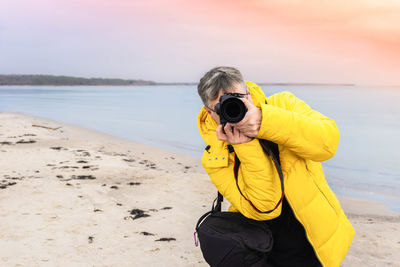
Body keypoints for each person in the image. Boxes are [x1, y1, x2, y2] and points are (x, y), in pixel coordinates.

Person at [196, 66, 355, 267]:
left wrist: (266, 121)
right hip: (263, 251)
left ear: (249, 93)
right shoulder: (215, 156)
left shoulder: (284, 104)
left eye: (238, 99)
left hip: (316, 243)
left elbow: (328, 144)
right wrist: (246, 146)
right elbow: (265, 207)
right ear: (209, 112)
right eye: (222, 108)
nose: (233, 109)